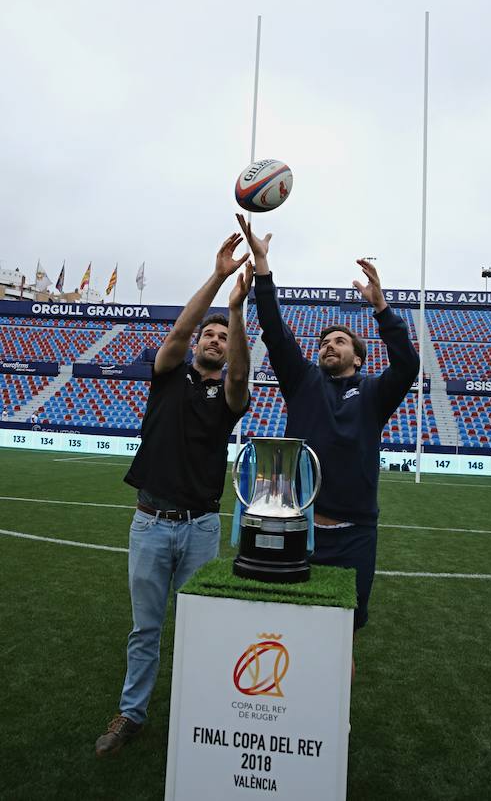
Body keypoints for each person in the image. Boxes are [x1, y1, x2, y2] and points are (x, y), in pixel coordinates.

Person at [96, 233, 252, 757]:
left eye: (221, 337)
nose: (213, 340)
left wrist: (237, 315)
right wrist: (218, 278)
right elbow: (178, 335)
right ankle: (131, 713)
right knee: (146, 627)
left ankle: (197, 714)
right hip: (150, 522)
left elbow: (241, 376)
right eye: (209, 335)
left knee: (198, 627)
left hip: (201, 526)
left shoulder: (230, 394)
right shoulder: (167, 377)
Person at [237, 213, 419, 636]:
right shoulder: (302, 382)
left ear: (358, 358)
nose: (327, 346)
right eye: (323, 342)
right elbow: (275, 331)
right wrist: (263, 269)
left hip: (355, 535)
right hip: (297, 526)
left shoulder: (374, 394)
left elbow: (408, 364)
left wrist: (381, 308)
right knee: (286, 628)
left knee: (343, 635)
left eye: (339, 342)